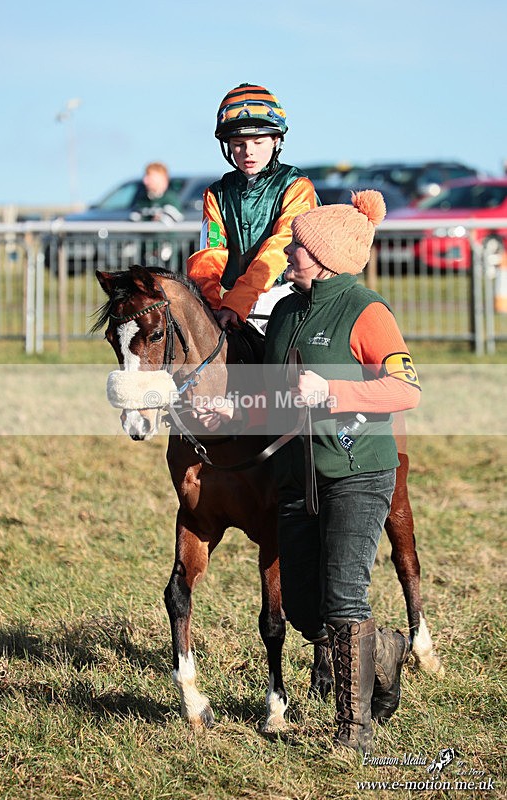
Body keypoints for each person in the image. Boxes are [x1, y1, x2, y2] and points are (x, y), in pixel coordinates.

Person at [196, 190, 422, 752]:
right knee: (302, 608)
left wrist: (335, 391)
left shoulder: (367, 310)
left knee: (345, 598)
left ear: (325, 256)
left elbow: (406, 389)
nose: (288, 252)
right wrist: (230, 410)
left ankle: (355, 731)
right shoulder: (289, 312)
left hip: (358, 473)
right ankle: (385, 648)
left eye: (296, 244)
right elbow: (275, 396)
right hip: (297, 479)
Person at [187, 83, 318, 332]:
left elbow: (280, 249)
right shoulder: (216, 193)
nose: (249, 152)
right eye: (238, 144)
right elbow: (210, 253)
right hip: (234, 300)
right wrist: (208, 305)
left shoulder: (298, 186)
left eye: (258, 142)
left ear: (276, 140)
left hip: (290, 295)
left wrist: (238, 301)